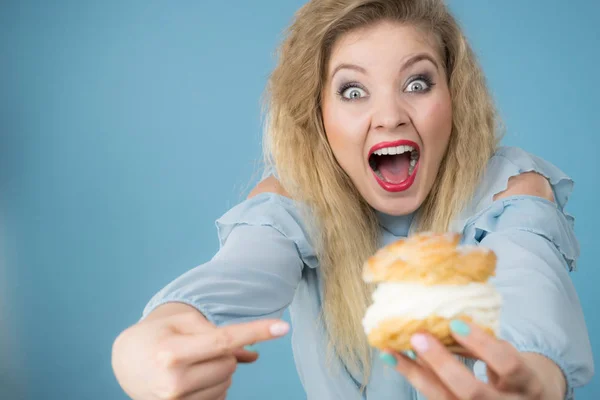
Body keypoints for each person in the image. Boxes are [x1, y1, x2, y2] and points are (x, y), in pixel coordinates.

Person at [111, 0, 594, 399]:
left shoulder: (512, 192)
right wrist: (143, 347)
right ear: (317, 113)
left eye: (417, 83)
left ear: (454, 98)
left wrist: (534, 384)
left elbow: (532, 302)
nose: (389, 116)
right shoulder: (292, 207)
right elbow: (234, 276)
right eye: (353, 90)